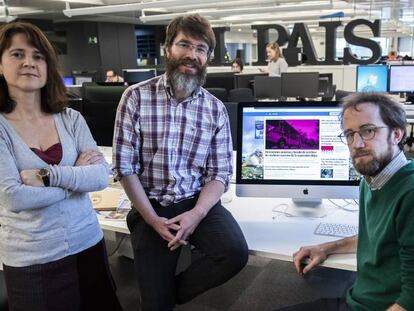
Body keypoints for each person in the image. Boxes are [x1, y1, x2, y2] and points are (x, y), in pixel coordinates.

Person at [113, 14, 248, 310]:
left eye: (201, 49)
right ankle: (158, 297)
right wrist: (151, 218)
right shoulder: (135, 97)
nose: (192, 54)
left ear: (208, 57)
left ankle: (165, 293)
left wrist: (197, 214)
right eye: (184, 44)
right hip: (152, 206)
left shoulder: (215, 109)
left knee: (234, 252)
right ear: (167, 49)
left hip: (196, 201)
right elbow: (125, 167)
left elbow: (220, 174)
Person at [0, 22, 122, 311]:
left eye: (38, 56)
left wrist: (48, 177)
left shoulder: (71, 119)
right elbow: (13, 196)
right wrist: (74, 184)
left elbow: (100, 176)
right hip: (32, 258)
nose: (29, 62)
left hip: (88, 244)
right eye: (17, 54)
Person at [276, 93, 414, 311]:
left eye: (368, 131)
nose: (356, 144)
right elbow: (379, 237)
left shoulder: (410, 192)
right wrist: (327, 247)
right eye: (349, 134)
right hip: (357, 301)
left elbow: (410, 301)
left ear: (396, 134)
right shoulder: (372, 180)